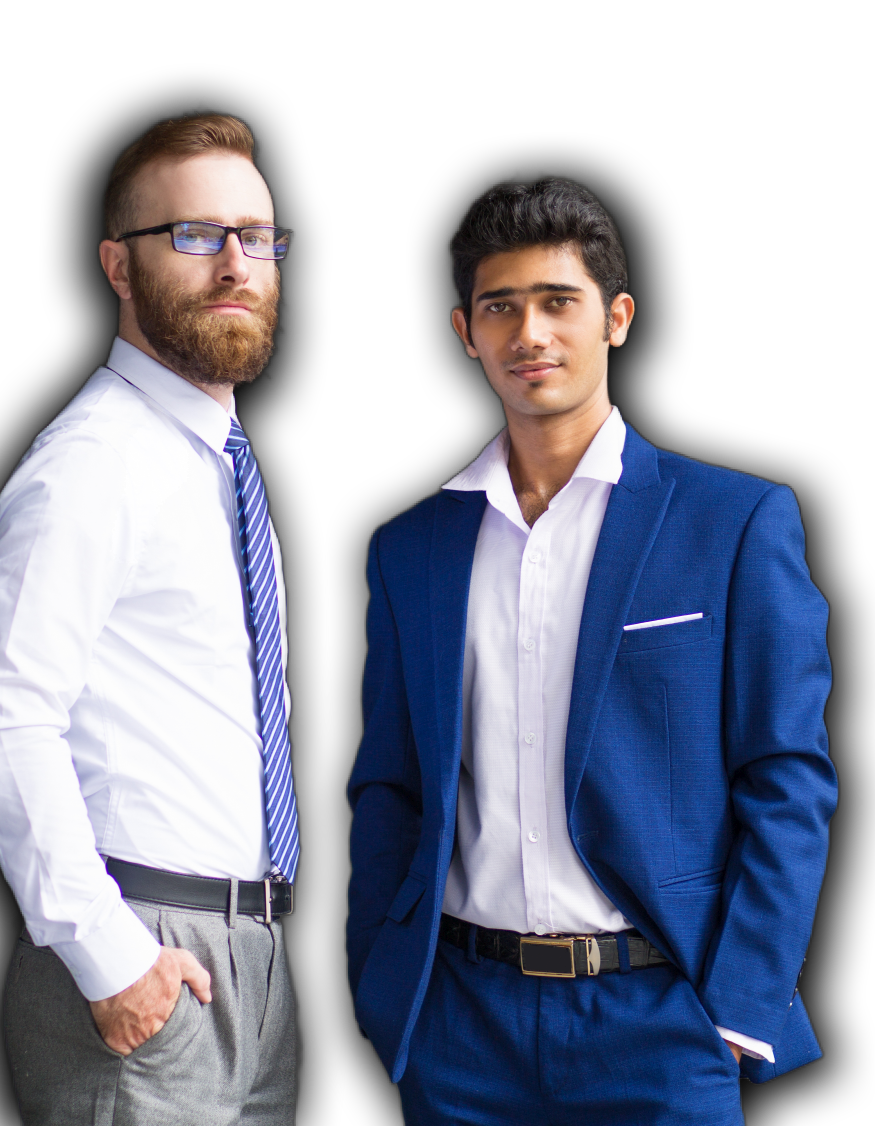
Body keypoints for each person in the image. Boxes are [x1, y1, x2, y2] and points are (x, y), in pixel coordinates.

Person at [346, 178, 836, 1125]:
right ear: (465, 332)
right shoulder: (409, 548)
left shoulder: (734, 520)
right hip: (459, 1026)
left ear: (617, 318)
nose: (529, 332)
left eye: (557, 301)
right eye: (501, 307)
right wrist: (381, 982)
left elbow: (788, 777)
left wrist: (738, 1009)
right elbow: (388, 784)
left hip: (662, 1020)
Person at [0, 113, 300, 1126]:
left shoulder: (219, 463)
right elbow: (3, 723)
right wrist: (111, 958)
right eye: (194, 234)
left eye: (257, 236)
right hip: (142, 947)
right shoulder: (90, 463)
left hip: (252, 954)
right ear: (118, 264)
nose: (235, 263)